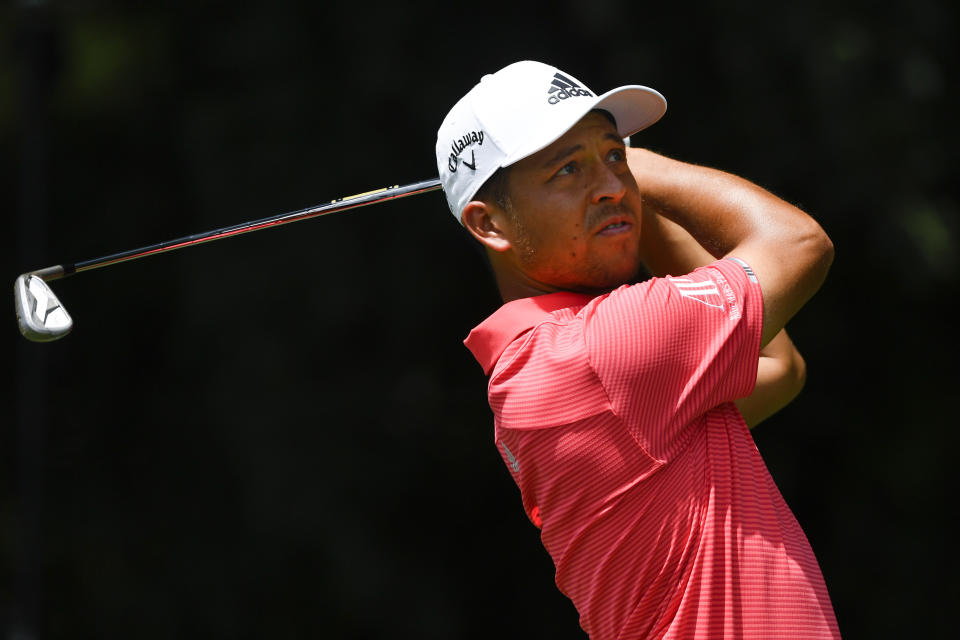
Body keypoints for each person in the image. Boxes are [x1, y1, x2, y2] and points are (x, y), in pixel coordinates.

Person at [435, 60, 841, 639]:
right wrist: (645, 171)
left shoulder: (543, 366)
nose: (612, 184)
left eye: (613, 155)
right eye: (568, 169)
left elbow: (777, 366)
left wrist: (619, 198)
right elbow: (800, 244)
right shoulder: (601, 350)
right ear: (489, 223)